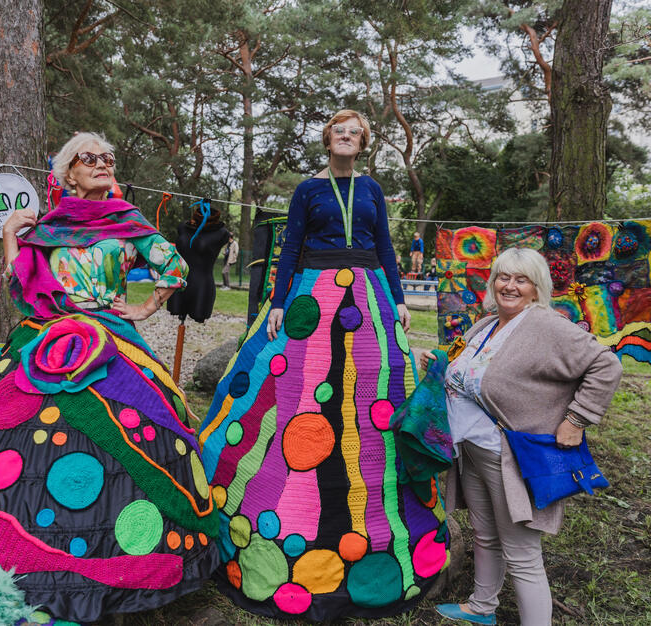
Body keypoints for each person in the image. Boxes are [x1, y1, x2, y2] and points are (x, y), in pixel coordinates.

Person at [0, 132, 219, 623]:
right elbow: (20, 286)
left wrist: (144, 307)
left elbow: (173, 268)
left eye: (110, 158)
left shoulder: (128, 222)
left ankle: (118, 557)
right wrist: (9, 237)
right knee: (6, 434)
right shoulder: (47, 225)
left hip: (111, 338)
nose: (104, 165)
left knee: (128, 434)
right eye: (91, 159)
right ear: (68, 173)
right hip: (41, 338)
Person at [198, 110, 450, 621]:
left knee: (371, 391)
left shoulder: (373, 190)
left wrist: (398, 298)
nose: (346, 138)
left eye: (355, 133)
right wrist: (276, 303)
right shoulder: (309, 191)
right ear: (328, 139)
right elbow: (290, 247)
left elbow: (384, 246)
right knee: (303, 386)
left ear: (362, 143)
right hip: (314, 294)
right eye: (340, 131)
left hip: (370, 293)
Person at [421, 247, 622, 625]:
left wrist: (577, 419)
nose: (509, 286)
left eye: (521, 279)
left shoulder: (545, 326)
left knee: (522, 553)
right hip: (473, 450)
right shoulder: (485, 324)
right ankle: (482, 607)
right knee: (484, 535)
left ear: (536, 287)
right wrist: (441, 365)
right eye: (503, 276)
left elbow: (606, 364)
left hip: (509, 455)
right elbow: (473, 372)